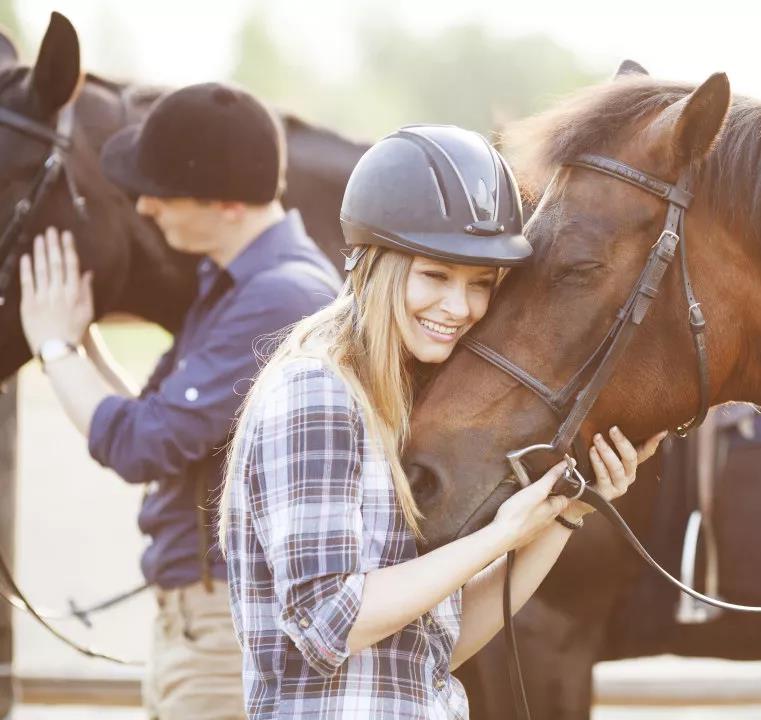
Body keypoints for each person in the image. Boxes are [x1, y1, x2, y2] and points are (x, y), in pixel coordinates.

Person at [219, 125, 666, 719]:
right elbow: (329, 621)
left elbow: (433, 652)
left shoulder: (401, 402)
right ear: (375, 264)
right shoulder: (317, 395)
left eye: (480, 285)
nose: (459, 308)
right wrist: (500, 534)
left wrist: (566, 515)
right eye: (435, 276)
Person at [17, 82, 339, 719]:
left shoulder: (279, 298)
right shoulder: (234, 286)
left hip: (229, 633)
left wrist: (54, 349)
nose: (144, 206)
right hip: (200, 625)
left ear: (221, 202)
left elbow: (144, 446)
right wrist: (78, 345)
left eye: (159, 190)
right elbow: (155, 421)